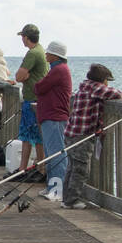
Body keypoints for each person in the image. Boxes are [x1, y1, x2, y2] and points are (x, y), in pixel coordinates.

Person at [62, 63, 122, 209]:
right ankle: (71, 201)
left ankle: (66, 198)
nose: (107, 83)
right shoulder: (95, 88)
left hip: (71, 133)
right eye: (107, 80)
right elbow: (115, 94)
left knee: (72, 167)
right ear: (102, 79)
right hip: (81, 135)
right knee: (80, 170)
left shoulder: (85, 87)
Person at [34, 41, 72, 200]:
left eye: (48, 52)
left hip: (55, 118)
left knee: (56, 154)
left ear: (56, 55)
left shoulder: (58, 70)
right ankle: (52, 187)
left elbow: (39, 88)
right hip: (51, 117)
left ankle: (57, 191)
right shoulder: (58, 69)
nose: (46, 54)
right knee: (51, 154)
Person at [13, 24, 48, 180]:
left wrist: (25, 76)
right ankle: (30, 168)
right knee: (31, 136)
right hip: (35, 99)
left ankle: (36, 169)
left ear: (26, 37)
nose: (22, 39)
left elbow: (19, 77)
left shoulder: (33, 53)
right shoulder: (41, 50)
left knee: (32, 135)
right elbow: (22, 76)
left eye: (22, 37)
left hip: (33, 101)